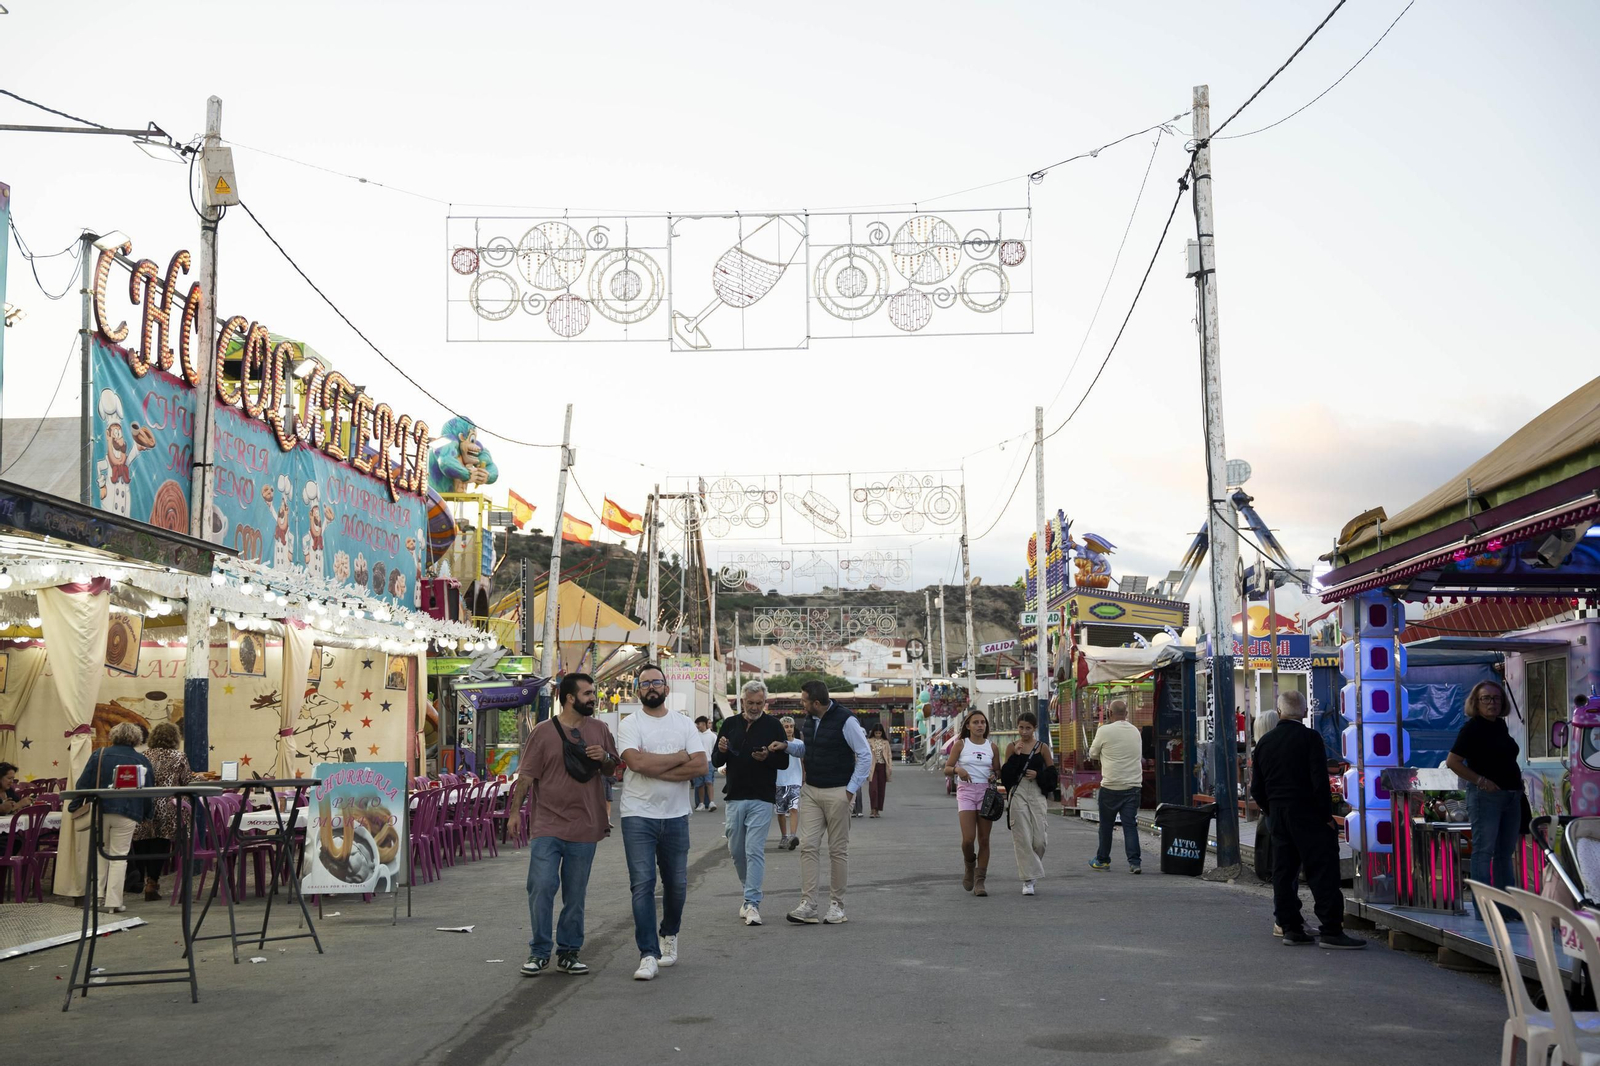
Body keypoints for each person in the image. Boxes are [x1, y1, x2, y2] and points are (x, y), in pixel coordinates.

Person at [508, 672, 619, 977]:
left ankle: (569, 952)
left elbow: (615, 768)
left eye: (593, 693)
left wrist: (605, 755)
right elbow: (527, 776)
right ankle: (540, 950)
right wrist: (515, 813)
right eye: (588, 693)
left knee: (575, 892)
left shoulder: (600, 729)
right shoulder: (543, 733)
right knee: (541, 886)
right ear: (570, 698)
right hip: (548, 824)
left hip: (585, 824)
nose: (593, 698)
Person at [1251, 690, 1365, 949]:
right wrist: (1326, 817)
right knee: (1322, 871)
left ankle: (1290, 928)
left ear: (1279, 711)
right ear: (1304, 712)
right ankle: (1331, 931)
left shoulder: (1265, 743)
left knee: (1284, 871)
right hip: (1308, 814)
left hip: (1278, 815)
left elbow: (1256, 788)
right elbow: (1319, 782)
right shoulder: (1311, 738)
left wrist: (1271, 809)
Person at [616, 664, 705, 980]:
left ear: (666, 688)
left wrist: (655, 768)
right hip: (638, 815)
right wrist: (680, 757)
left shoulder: (684, 724)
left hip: (676, 816)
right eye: (645, 683)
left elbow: (700, 766)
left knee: (677, 885)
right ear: (638, 690)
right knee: (642, 884)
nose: (651, 687)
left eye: (656, 682)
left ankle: (670, 934)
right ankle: (648, 954)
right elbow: (636, 762)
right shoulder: (630, 724)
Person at [778, 680, 871, 924]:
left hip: (838, 791)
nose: (802, 703)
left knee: (837, 850)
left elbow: (864, 755)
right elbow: (809, 750)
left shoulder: (847, 720)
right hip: (811, 790)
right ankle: (808, 905)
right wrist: (787, 747)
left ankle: (837, 906)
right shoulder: (809, 720)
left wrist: (850, 791)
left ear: (816, 703)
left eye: (804, 700)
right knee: (808, 846)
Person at [712, 678, 790, 926]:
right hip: (734, 796)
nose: (755, 707)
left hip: (762, 797)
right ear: (741, 701)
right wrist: (722, 750)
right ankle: (749, 892)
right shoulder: (730, 724)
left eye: (759, 703)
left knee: (754, 850)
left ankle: (752, 903)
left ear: (765, 702)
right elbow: (715, 760)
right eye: (750, 702)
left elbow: (784, 763)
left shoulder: (774, 726)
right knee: (736, 851)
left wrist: (767, 756)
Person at [1445, 680, 1524, 905]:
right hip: (1486, 797)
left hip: (1511, 795)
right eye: (1486, 698)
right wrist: (1481, 781)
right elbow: (1453, 761)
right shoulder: (1472, 728)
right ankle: (1484, 907)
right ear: (1476, 703)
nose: (1492, 703)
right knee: (1484, 851)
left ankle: (1506, 907)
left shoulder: (1500, 725)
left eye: (1496, 698)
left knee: (1505, 854)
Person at [68, 721, 153, 913]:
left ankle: (97, 897)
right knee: (119, 856)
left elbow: (84, 783)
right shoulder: (141, 760)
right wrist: (148, 813)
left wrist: (74, 806)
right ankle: (114, 902)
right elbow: (149, 790)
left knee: (100, 852)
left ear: (113, 736)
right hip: (127, 812)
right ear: (137, 739)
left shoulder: (99, 755)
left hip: (101, 809)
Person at [131, 723, 192, 902]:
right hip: (167, 805)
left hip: (145, 803)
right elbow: (186, 780)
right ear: (174, 738)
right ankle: (152, 882)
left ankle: (140, 880)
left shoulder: (143, 755)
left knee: (143, 841)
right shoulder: (179, 756)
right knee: (161, 842)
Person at [944, 710, 1001, 896]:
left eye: (982, 722)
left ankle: (980, 881)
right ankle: (969, 864)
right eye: (975, 722)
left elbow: (997, 771)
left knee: (984, 839)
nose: (979, 725)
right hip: (966, 792)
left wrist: (995, 775)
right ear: (968, 726)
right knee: (968, 840)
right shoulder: (960, 744)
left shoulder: (992, 747)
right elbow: (947, 769)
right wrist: (958, 770)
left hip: (986, 793)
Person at [1001, 712, 1054, 895]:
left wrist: (1039, 775)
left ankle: (1031, 870)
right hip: (1018, 792)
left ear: (1035, 728)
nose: (1024, 732)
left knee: (1039, 840)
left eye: (1028, 728)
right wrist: (1015, 756)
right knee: (1022, 836)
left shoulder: (1043, 748)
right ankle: (1028, 880)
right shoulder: (1011, 747)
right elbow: (1006, 777)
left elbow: (1053, 775)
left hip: (1037, 792)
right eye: (1021, 727)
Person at [1088, 699, 1144, 873]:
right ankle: (1135, 863)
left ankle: (1103, 860)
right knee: (1130, 825)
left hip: (1111, 786)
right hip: (1133, 786)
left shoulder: (1104, 730)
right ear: (1126, 713)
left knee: (1106, 826)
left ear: (1109, 713)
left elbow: (1092, 753)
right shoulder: (1135, 731)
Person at [773, 716, 802, 850]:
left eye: (791, 726)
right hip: (780, 781)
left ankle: (792, 836)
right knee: (780, 811)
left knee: (794, 808)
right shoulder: (776, 744)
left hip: (795, 781)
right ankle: (784, 836)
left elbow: (803, 761)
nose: (789, 729)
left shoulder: (799, 743)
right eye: (786, 726)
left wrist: (805, 777)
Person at [866, 723, 893, 817]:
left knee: (881, 789)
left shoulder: (885, 742)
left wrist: (890, 766)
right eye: (876, 733)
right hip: (872, 766)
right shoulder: (869, 741)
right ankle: (872, 809)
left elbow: (889, 755)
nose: (878, 735)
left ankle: (877, 810)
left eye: (879, 733)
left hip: (882, 766)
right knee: (873, 789)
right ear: (873, 732)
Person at [692, 716, 719, 813]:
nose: (697, 726)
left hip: (709, 762)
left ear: (703, 724)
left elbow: (715, 750)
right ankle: (701, 803)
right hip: (697, 762)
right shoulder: (695, 735)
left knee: (709, 782)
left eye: (698, 724)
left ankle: (711, 802)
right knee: (699, 784)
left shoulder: (712, 736)